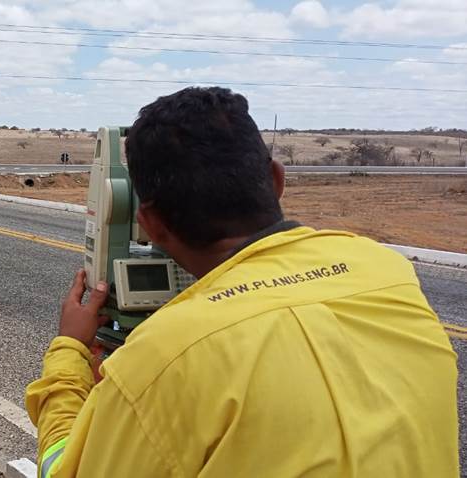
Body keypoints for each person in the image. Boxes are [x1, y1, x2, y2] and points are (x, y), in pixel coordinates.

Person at [25, 87, 458, 477]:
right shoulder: (385, 271)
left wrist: (69, 350)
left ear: (150, 222)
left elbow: (62, 470)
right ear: (277, 180)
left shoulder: (163, 358)